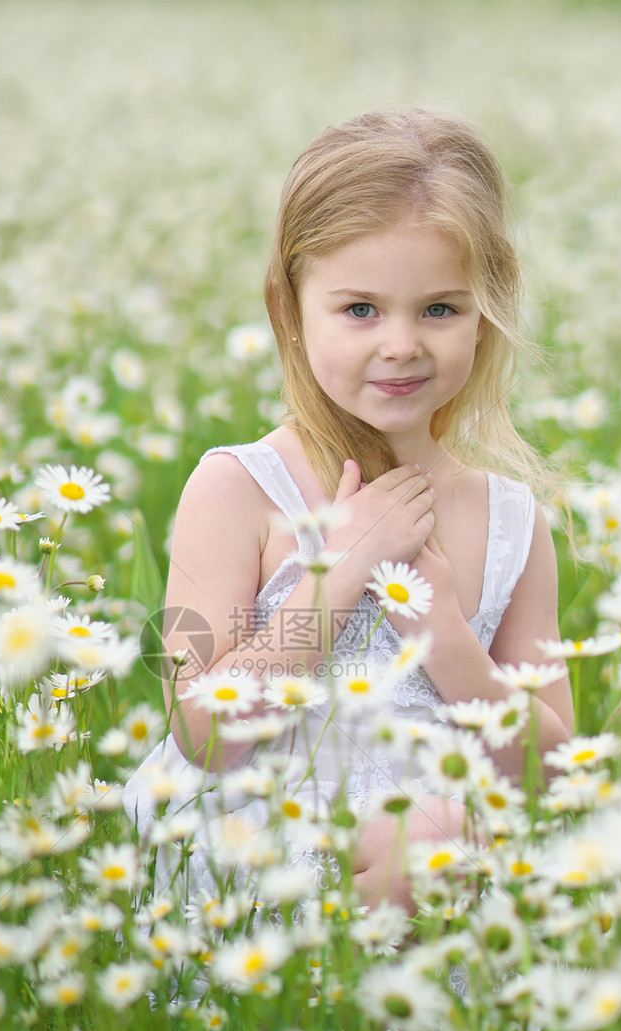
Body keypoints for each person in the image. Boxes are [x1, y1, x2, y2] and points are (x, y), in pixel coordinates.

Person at [123, 107, 574, 909]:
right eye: (360, 309)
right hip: (261, 897)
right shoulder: (238, 490)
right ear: (290, 310)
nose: (401, 344)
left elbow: (551, 764)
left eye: (440, 309)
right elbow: (200, 730)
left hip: (439, 903)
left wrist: (437, 628)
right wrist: (342, 576)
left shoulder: (512, 521)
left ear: (487, 312)